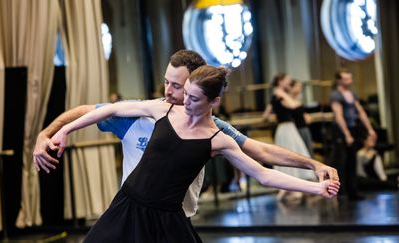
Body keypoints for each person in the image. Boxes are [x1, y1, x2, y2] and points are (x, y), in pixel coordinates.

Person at [48, 65, 340, 242]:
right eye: (185, 92)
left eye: (194, 98)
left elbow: (263, 174)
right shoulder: (163, 108)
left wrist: (316, 187)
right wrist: (65, 131)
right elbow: (110, 109)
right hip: (127, 206)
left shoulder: (218, 139)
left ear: (214, 101)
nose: (185, 100)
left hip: (167, 220)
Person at [330, 68, 377, 200]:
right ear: (339, 80)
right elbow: (338, 116)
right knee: (341, 161)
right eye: (346, 79)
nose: (349, 81)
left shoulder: (351, 93)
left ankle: (352, 191)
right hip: (340, 130)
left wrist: (370, 129)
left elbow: (360, 112)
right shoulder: (335, 95)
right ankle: (339, 192)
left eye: (350, 78)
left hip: (352, 128)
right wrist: (346, 134)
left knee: (352, 160)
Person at [269, 73, 317, 202]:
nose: (289, 84)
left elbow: (267, 113)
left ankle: (292, 187)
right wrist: (287, 93)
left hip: (288, 127)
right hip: (285, 128)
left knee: (293, 154)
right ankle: (288, 187)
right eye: (287, 81)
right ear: (280, 82)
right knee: (289, 155)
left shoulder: (277, 95)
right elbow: (294, 105)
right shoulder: (279, 94)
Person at [289, 79, 314, 157]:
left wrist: (306, 116)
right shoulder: (288, 100)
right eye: (298, 86)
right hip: (296, 129)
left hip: (303, 127)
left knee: (308, 150)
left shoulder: (298, 98)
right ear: (291, 87)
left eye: (300, 86)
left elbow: (300, 112)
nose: (300, 88)